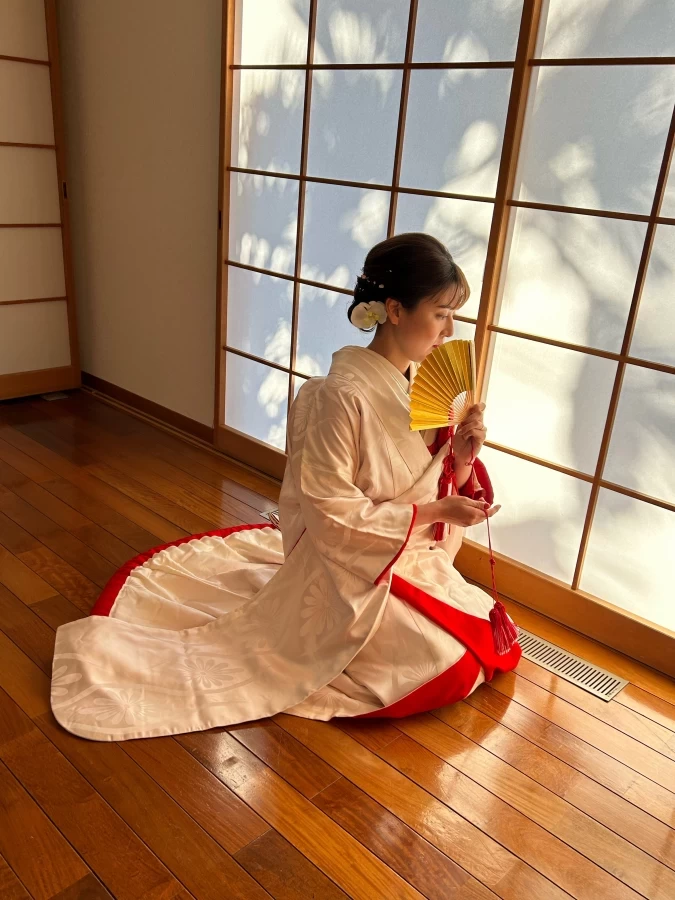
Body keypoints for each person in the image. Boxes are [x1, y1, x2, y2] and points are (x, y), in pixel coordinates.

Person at [50, 233, 521, 741]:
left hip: (409, 558)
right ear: (394, 310)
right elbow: (329, 512)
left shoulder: (423, 394)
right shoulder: (337, 397)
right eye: (441, 313)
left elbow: (436, 487)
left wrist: (462, 459)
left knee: (482, 641)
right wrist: (434, 514)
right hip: (351, 570)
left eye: (453, 315)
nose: (449, 331)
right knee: (445, 663)